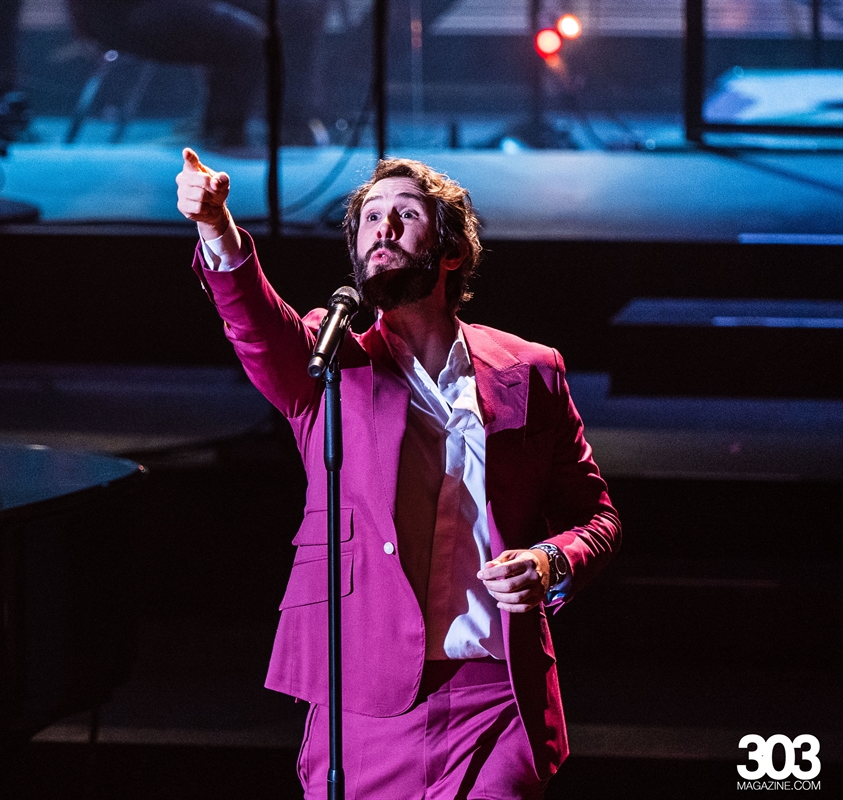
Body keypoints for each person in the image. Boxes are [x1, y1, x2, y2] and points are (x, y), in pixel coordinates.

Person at [175, 147, 621, 798]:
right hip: (364, 692)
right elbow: (253, 324)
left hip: (494, 695)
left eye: (404, 214)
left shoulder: (530, 369)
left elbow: (596, 516)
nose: (381, 227)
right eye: (369, 217)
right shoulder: (329, 358)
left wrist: (552, 562)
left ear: (451, 252)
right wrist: (217, 227)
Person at [69, 0, 329, 147]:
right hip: (122, 12)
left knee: (301, 7)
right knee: (247, 38)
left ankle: (291, 124)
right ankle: (223, 137)